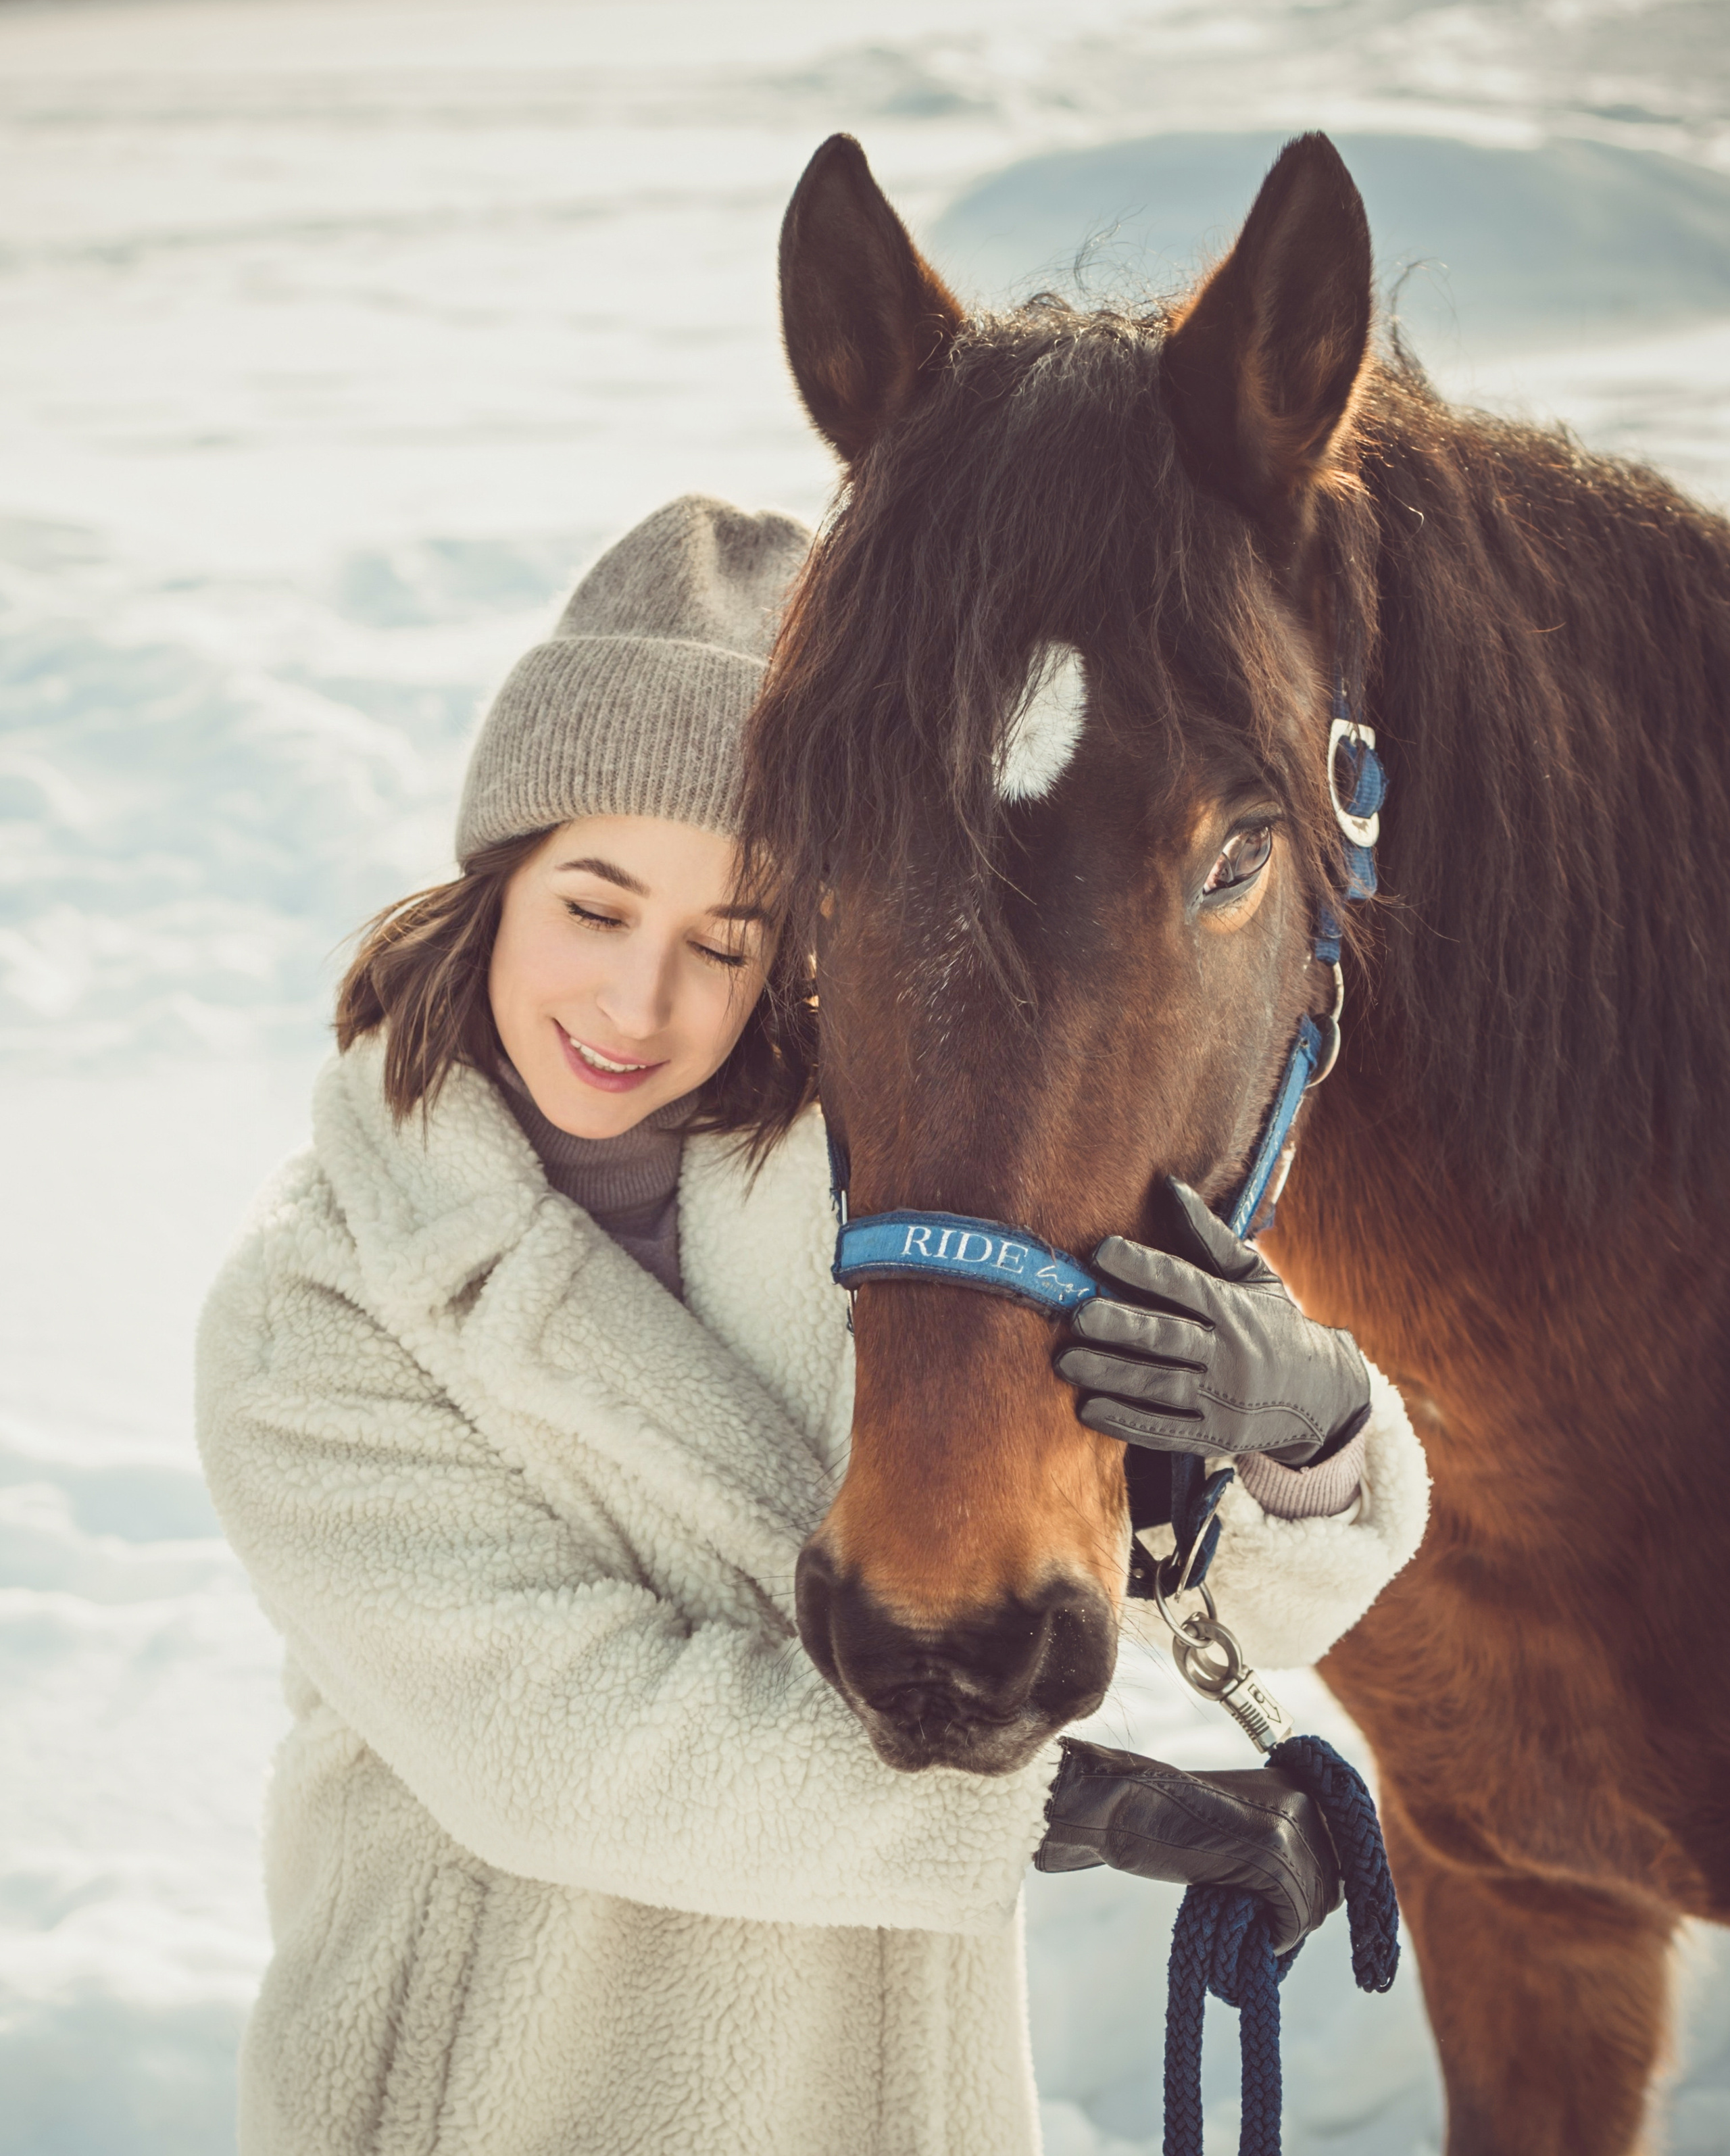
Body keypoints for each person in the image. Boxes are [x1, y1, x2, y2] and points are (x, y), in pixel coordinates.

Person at [196, 495, 1429, 2156]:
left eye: (724, 939)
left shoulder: (887, 1229)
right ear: (496, 877)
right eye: (592, 904)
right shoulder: (325, 1298)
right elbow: (551, 1746)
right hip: (491, 2098)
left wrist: (1294, 1436)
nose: (639, 1003)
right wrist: (1075, 1808)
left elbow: (1114, 1566)